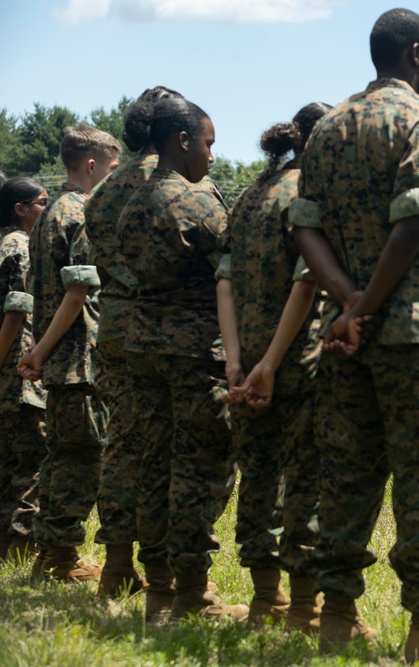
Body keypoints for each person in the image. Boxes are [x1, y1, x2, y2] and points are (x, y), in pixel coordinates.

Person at [291, 8, 419, 661]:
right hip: (416, 331)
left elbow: (304, 226)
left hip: (345, 336)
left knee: (345, 472)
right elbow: (414, 221)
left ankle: (337, 613)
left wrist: (346, 304)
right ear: (417, 53)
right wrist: (368, 302)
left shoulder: (328, 128)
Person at [117, 97, 245, 622]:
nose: (212, 156)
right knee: (199, 468)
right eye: (209, 144)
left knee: (155, 465)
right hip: (194, 352)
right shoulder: (197, 203)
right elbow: (234, 271)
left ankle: (158, 590)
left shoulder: (132, 204)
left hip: (142, 347)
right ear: (184, 141)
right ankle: (193, 592)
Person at [215, 102, 331, 633]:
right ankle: (305, 608)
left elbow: (225, 281)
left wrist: (238, 362)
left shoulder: (250, 196)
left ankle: (266, 600)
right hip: (295, 361)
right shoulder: (311, 193)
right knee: (304, 481)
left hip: (245, 361)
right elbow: (307, 283)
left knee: (258, 477)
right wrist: (271, 364)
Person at [84, 85, 184, 599]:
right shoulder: (174, 182)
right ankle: (168, 574)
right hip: (168, 330)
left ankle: (116, 565)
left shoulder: (101, 193)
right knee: (168, 449)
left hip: (116, 328)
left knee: (121, 444)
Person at [19, 125, 120, 581]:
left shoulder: (47, 215)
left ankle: (52, 554)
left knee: (65, 456)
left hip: (61, 360)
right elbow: (78, 292)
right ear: (92, 165)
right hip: (79, 359)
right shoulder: (83, 211)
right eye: (113, 168)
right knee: (83, 459)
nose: (115, 177)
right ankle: (60, 558)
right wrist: (40, 350)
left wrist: (41, 351)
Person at [0, 177, 48, 563]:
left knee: (8, 463)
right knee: (31, 463)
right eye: (41, 203)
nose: (46, 211)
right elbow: (17, 310)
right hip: (14, 372)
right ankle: (22, 548)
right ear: (20, 208)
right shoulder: (19, 246)